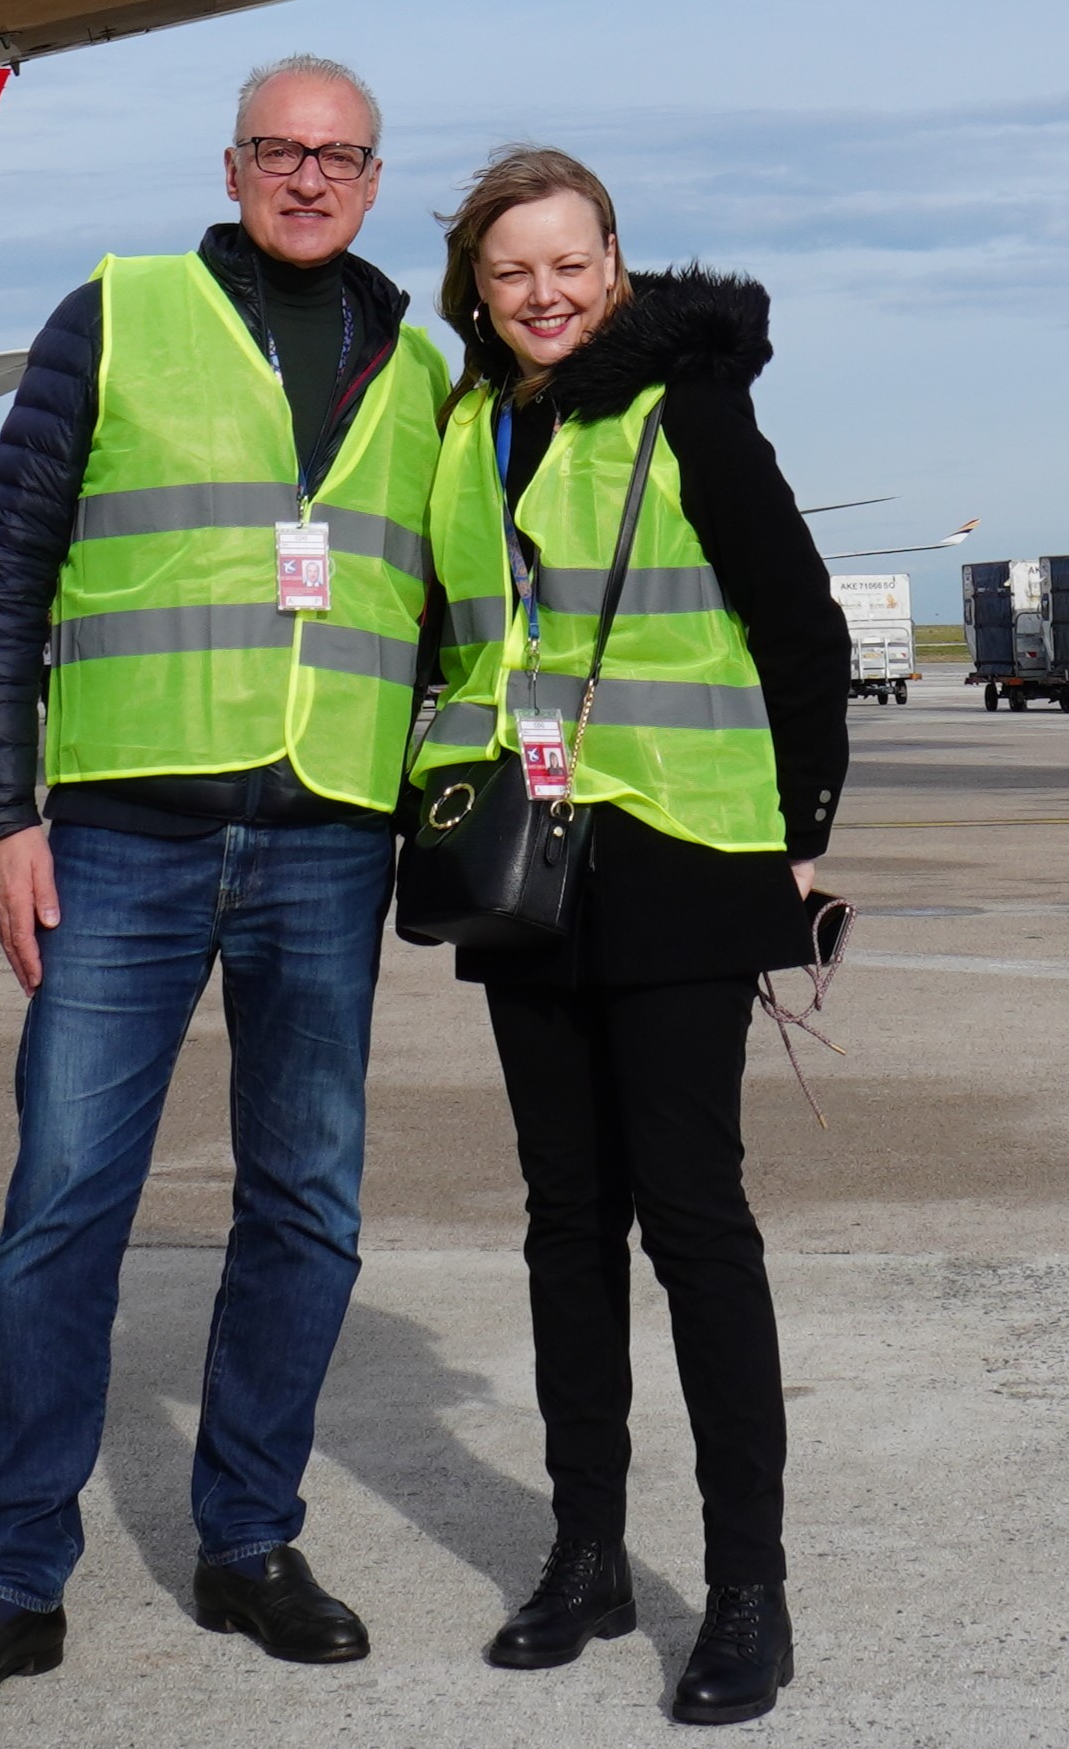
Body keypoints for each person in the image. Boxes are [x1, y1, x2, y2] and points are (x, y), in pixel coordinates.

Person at [0, 57, 454, 1721]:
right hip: (123, 833)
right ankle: (10, 1575)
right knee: (62, 1204)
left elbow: (456, 607)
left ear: (370, 176)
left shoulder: (415, 368)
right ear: (232, 163)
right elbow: (4, 566)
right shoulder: (119, 310)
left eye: (339, 154)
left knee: (307, 1204)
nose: (307, 175)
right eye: (280, 148)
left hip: (333, 834)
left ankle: (248, 1540)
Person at [413, 146, 846, 1726]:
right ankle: (583, 1555)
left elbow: (798, 624)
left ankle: (747, 1591)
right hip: (525, 871)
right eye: (512, 271)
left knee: (695, 1222)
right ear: (480, 285)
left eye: (569, 264)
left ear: (615, 262)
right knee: (561, 1221)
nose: (544, 295)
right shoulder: (467, 425)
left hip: (676, 850)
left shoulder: (687, 411)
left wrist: (796, 840)